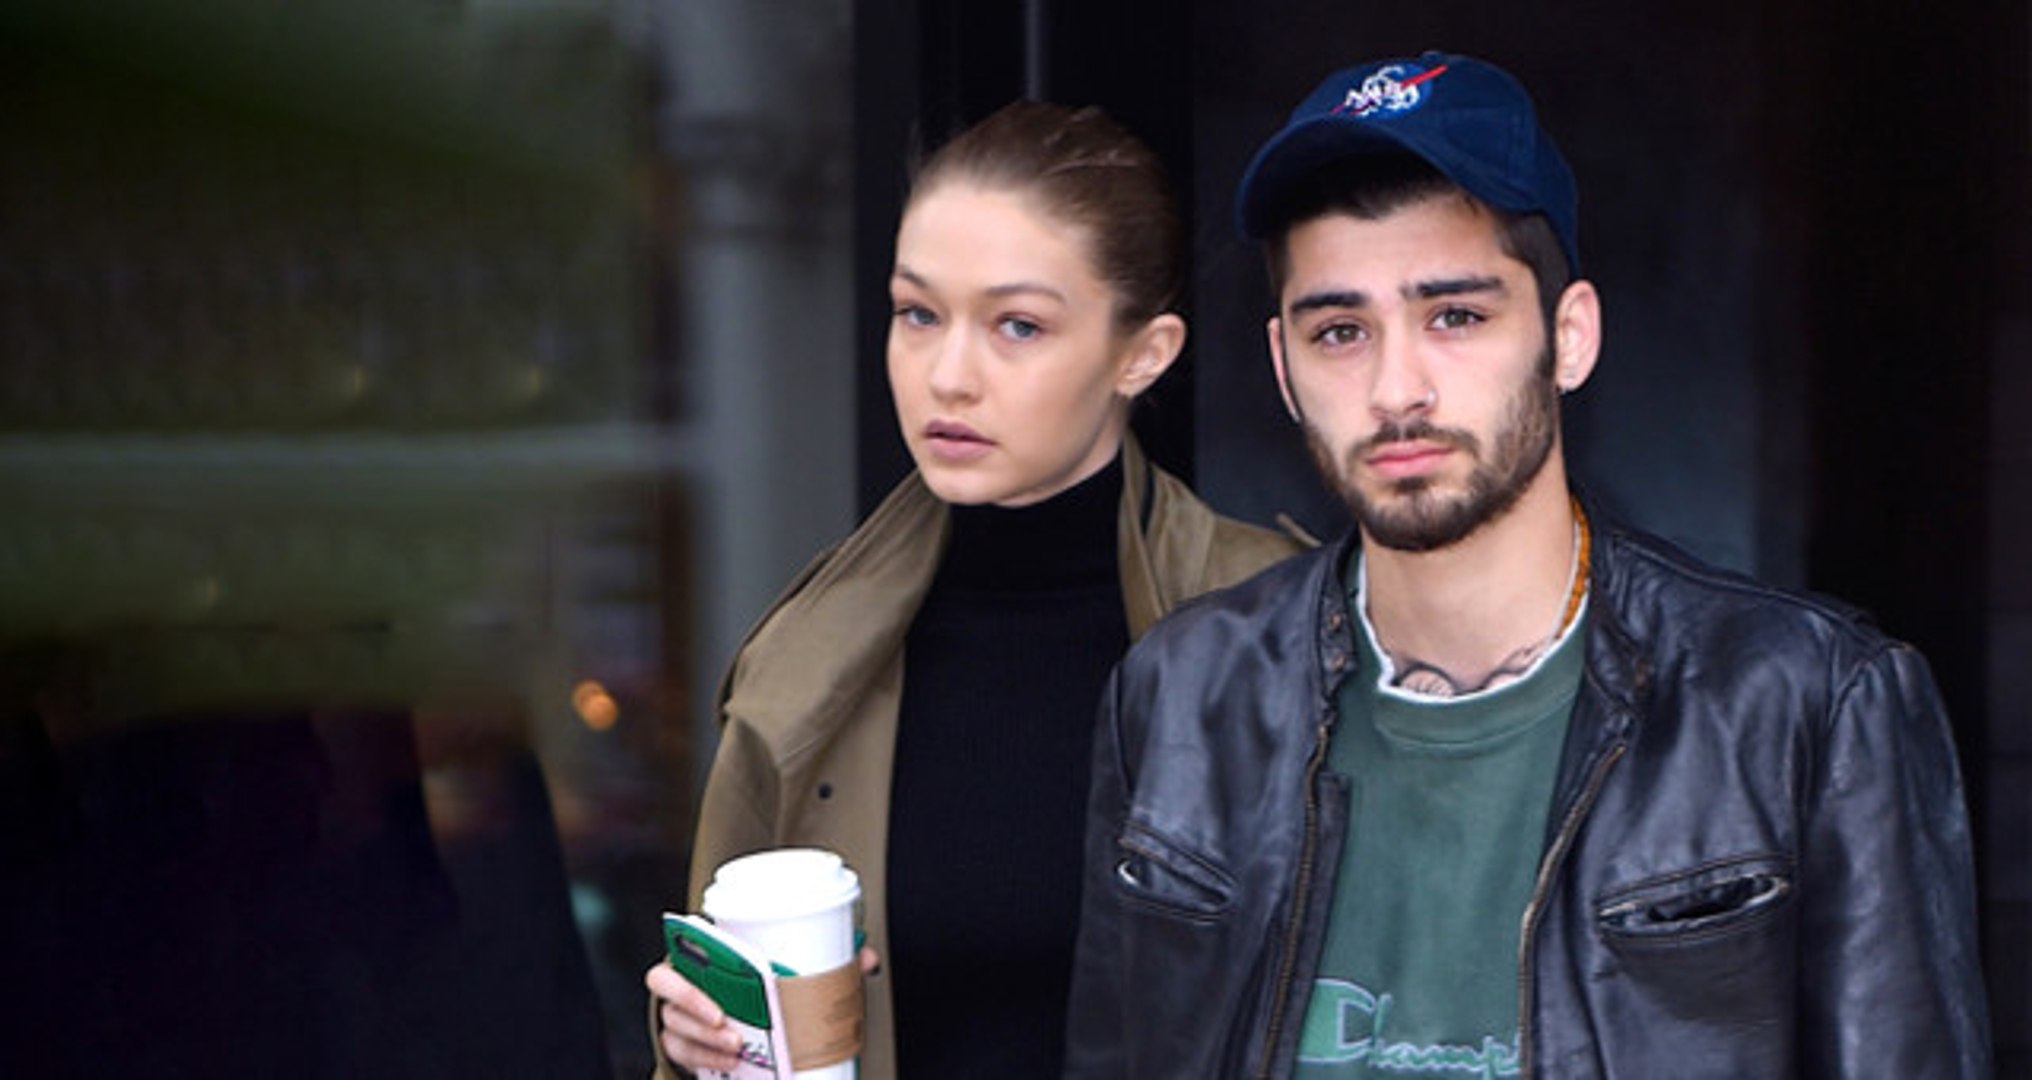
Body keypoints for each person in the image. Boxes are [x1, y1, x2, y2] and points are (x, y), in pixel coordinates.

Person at [1063, 51, 1992, 1078]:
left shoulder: (1806, 705)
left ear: (1569, 335)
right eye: (1340, 331)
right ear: (1283, 368)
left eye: (1455, 316)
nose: (1396, 388)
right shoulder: (1179, 697)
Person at [643, 100, 1306, 1079]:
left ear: (1144, 353)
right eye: (918, 313)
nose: (947, 376)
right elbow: (733, 1030)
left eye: (1017, 325)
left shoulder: (1285, 632)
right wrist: (705, 1044)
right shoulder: (810, 655)